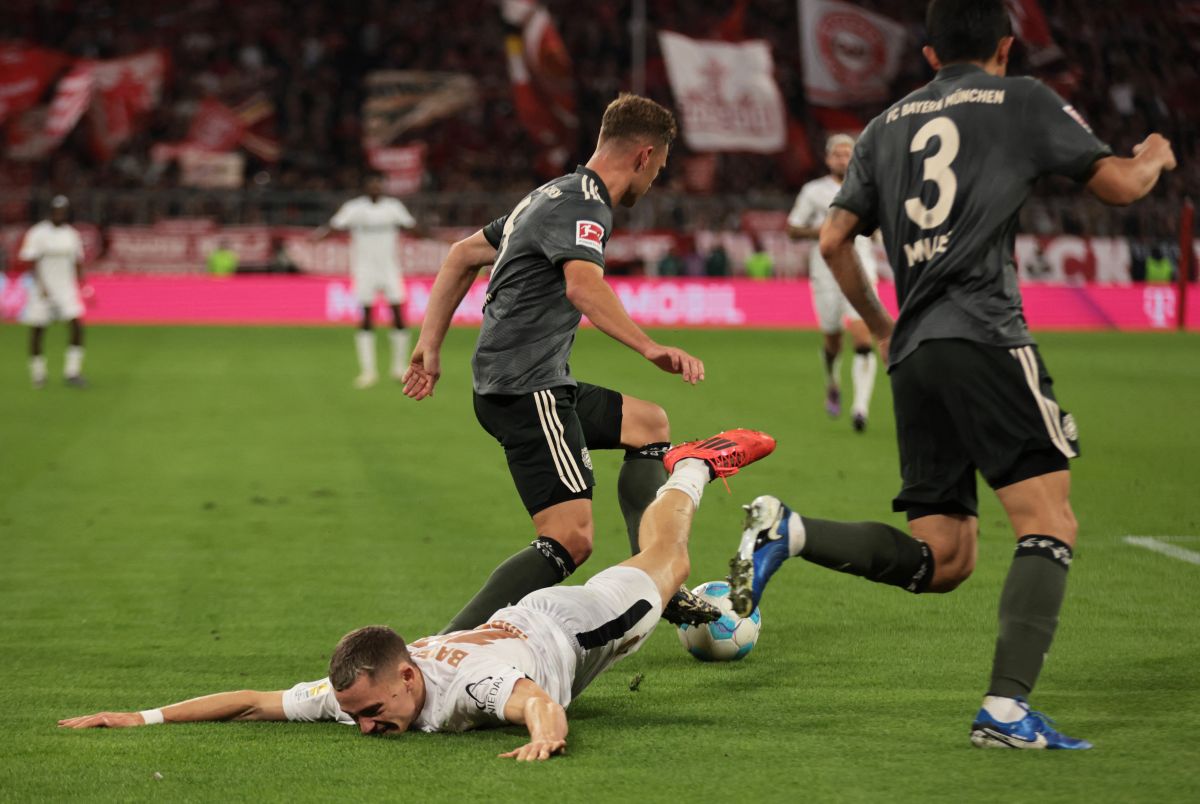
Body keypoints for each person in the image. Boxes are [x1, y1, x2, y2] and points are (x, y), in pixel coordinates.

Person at [728, 0, 1175, 750]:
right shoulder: (1021, 99)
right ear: (1006, 46)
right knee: (1049, 520)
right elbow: (1123, 187)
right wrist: (1157, 151)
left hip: (916, 352)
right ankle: (1005, 712)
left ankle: (790, 531)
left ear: (930, 56)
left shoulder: (883, 126)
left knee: (946, 558)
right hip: (986, 335)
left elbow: (837, 241)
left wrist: (878, 325)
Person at [57, 430, 777, 761]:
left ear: (406, 677)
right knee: (658, 562)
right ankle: (686, 474)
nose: (365, 726)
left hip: (573, 629)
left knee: (666, 560)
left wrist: (545, 739)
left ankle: (691, 468)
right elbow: (253, 701)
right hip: (513, 625)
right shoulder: (358, 695)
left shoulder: (472, 685)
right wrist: (141, 718)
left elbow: (536, 703)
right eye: (357, 716)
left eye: (371, 712)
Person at [402, 93, 715, 633]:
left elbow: (461, 254)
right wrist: (649, 347)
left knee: (649, 424)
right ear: (644, 156)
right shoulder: (583, 205)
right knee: (570, 539)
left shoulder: (551, 194)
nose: (656, 179)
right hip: (527, 389)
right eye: (659, 167)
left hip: (531, 382)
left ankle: (659, 577)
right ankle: (444, 649)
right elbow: (582, 285)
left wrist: (431, 344)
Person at [787, 134, 880, 432]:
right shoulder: (814, 191)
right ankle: (832, 380)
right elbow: (792, 228)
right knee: (833, 339)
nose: (842, 159)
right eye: (837, 154)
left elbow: (878, 229)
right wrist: (829, 231)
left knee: (864, 338)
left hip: (861, 270)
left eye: (847, 154)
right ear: (828, 159)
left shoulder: (868, 188)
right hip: (825, 273)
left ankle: (860, 408)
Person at [312, 172, 418, 389]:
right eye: (372, 183)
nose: (376, 187)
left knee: (398, 314)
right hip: (364, 270)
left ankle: (398, 368)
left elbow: (412, 227)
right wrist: (316, 238)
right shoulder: (354, 208)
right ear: (365, 186)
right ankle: (368, 372)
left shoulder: (393, 207)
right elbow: (334, 227)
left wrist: (439, 237)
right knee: (366, 316)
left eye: (379, 183)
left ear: (383, 185)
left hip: (390, 268)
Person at [18, 196, 88, 389]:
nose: (60, 214)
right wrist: (41, 285)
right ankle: (38, 372)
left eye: (63, 210)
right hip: (43, 290)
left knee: (76, 326)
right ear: (50, 211)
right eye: (57, 210)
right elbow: (31, 261)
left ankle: (72, 372)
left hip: (66, 288)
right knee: (38, 330)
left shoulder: (71, 234)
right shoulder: (38, 233)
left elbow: (77, 260)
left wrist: (83, 283)